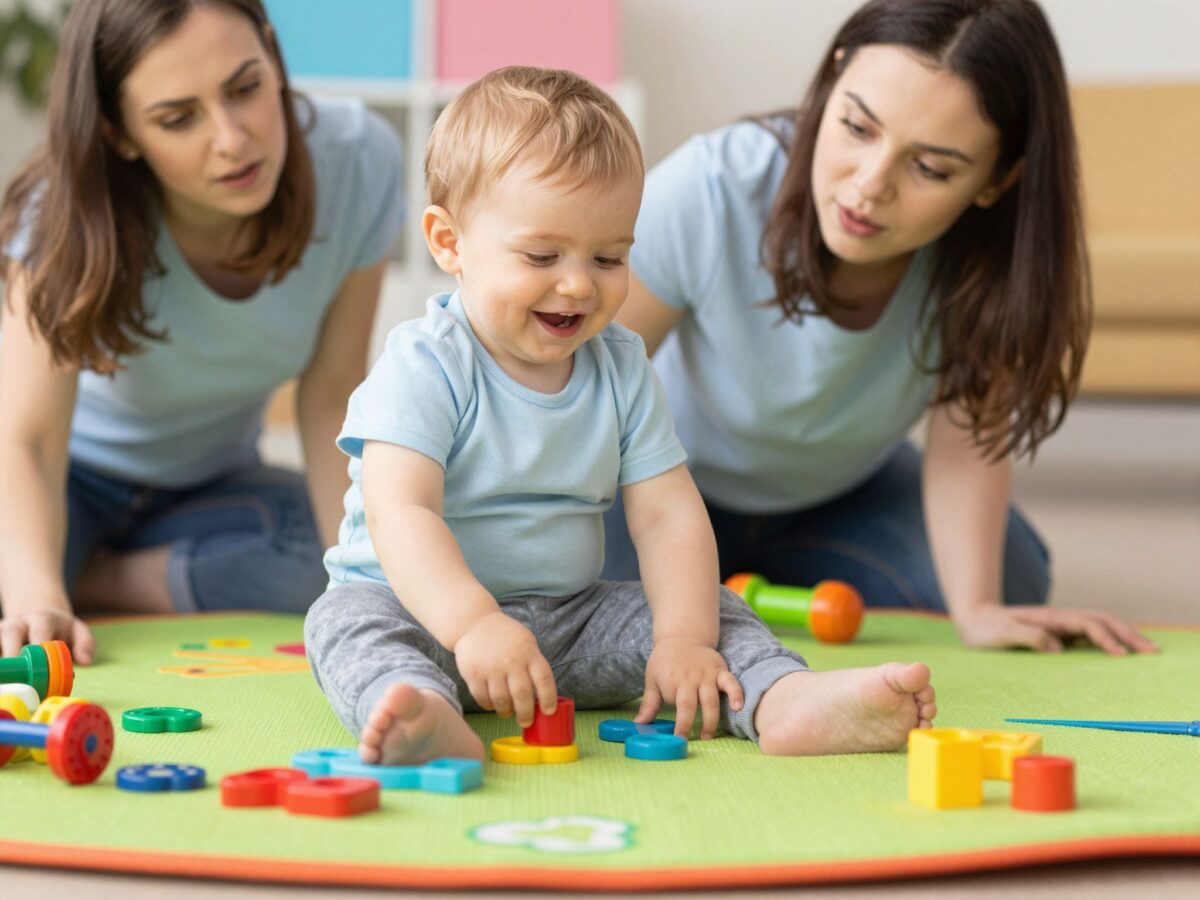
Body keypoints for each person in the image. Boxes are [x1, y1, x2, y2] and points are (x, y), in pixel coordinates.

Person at [304, 66, 936, 766]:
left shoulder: (621, 364)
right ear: (449, 242)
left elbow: (666, 514)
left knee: (715, 613)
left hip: (570, 622)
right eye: (542, 255)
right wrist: (473, 625)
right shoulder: (423, 364)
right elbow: (404, 515)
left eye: (609, 257)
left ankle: (783, 699)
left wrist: (684, 641)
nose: (578, 284)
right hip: (417, 613)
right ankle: (422, 712)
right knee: (344, 626)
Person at [602, 0, 1157, 657]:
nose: (869, 187)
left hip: (836, 493)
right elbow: (590, 388)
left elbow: (967, 447)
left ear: (995, 180)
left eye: (930, 169)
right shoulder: (711, 187)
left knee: (1010, 575)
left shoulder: (988, 265)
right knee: (577, 601)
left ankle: (744, 589)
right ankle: (730, 589)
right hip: (653, 485)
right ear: (834, 80)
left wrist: (977, 608)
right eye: (858, 127)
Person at [0, 0, 404, 662]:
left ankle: (100, 576)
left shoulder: (359, 161)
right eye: (178, 118)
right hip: (64, 477)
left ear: (273, 57)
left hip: (213, 487)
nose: (233, 139)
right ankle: (71, 571)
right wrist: (37, 597)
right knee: (22, 592)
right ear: (120, 131)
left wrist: (363, 590)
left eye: (245, 88)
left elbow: (333, 394)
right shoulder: (59, 214)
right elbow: (28, 442)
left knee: (371, 548)